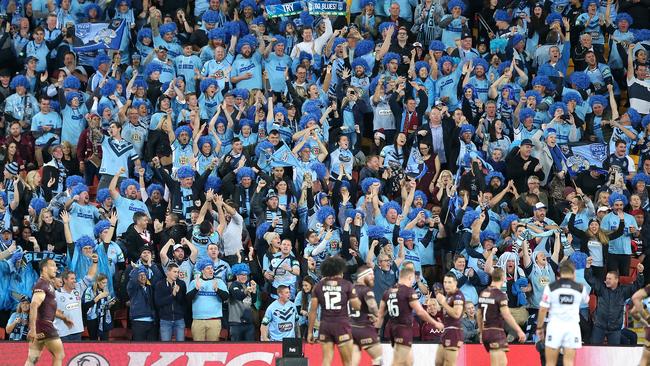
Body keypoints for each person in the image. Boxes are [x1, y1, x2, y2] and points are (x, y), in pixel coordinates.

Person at [376, 266, 444, 366]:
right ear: (409, 277)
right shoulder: (408, 291)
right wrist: (435, 323)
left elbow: (380, 314)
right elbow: (420, 312)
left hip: (390, 329)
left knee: (409, 361)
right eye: (412, 279)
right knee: (399, 361)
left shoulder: (387, 292)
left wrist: (375, 333)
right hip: (403, 330)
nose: (412, 282)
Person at [308, 256, 361, 366]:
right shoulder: (346, 285)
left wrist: (309, 332)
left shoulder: (318, 286)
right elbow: (357, 306)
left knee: (326, 360)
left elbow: (312, 311)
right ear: (340, 269)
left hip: (325, 325)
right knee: (347, 362)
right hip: (341, 325)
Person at [536, 260, 589, 366]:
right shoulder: (580, 288)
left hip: (555, 327)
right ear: (573, 272)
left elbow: (543, 309)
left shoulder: (551, 287)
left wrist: (539, 327)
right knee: (568, 362)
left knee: (550, 362)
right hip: (572, 328)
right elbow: (586, 300)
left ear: (560, 272)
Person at [25, 259, 74, 366]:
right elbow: (33, 305)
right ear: (44, 269)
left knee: (32, 359)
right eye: (53, 266)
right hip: (45, 326)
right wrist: (32, 329)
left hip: (40, 326)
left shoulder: (48, 285)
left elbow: (48, 309)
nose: (56, 268)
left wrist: (64, 318)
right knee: (59, 355)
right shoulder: (42, 285)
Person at [585, 256, 645, 345]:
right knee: (594, 350)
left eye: (609, 279)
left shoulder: (623, 291)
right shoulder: (601, 288)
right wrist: (588, 267)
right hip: (599, 327)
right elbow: (590, 279)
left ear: (616, 280)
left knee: (614, 354)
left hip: (615, 330)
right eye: (606, 278)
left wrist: (640, 273)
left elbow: (637, 286)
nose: (607, 280)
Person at [477, 268, 526, 366]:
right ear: (503, 278)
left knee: (503, 363)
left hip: (486, 331)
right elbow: (506, 315)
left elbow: (478, 314)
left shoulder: (483, 293)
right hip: (495, 332)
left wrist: (482, 332)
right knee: (496, 364)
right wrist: (519, 331)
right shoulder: (500, 295)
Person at [350, 266, 382, 366]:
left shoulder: (349, 289)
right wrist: (377, 315)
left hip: (350, 329)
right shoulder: (366, 290)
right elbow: (372, 305)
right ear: (363, 276)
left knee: (353, 362)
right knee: (379, 359)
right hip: (363, 328)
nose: (373, 277)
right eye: (371, 274)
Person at [435, 273, 465, 366]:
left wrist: (443, 302)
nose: (446, 285)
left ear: (455, 283)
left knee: (449, 363)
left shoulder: (458, 295)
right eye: (445, 282)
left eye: (449, 282)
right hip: (446, 331)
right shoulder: (448, 295)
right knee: (438, 362)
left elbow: (456, 314)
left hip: (454, 333)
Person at [154, 262, 187, 342]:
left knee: (181, 346)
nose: (177, 274)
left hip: (179, 319)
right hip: (165, 320)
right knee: (165, 347)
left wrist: (178, 293)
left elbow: (183, 302)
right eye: (174, 272)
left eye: (178, 272)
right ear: (168, 272)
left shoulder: (181, 284)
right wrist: (172, 295)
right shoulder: (160, 284)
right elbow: (158, 302)